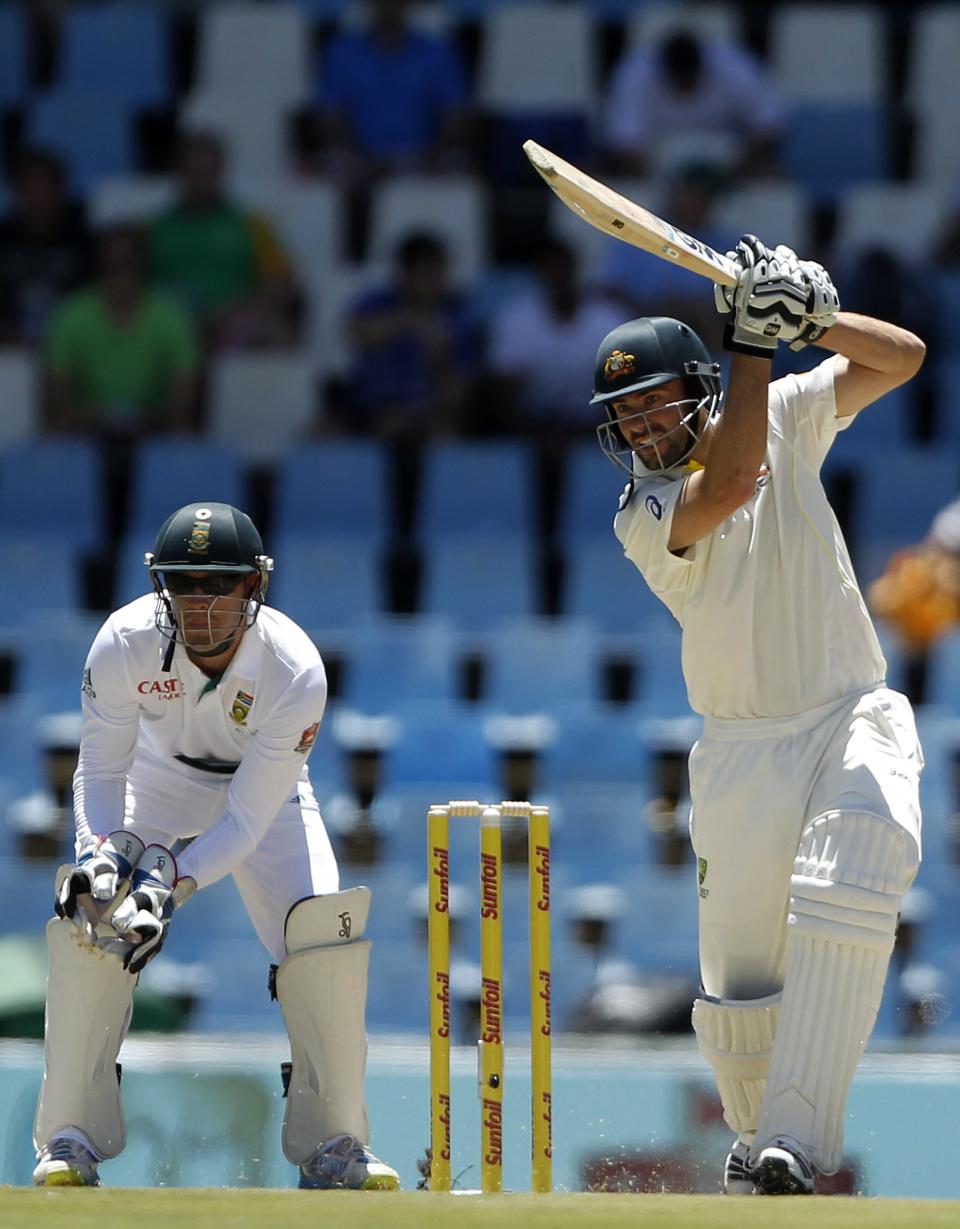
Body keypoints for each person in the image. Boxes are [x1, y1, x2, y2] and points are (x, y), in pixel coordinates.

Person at [588, 238, 925, 1194]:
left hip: (850, 710)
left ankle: (800, 1143)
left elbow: (901, 358)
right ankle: (763, 1148)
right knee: (744, 1012)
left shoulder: (779, 404)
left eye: (655, 403)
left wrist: (810, 319)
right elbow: (732, 482)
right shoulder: (642, 511)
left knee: (854, 866)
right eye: (627, 415)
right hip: (740, 755)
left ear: (694, 389)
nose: (645, 429)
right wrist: (750, 338)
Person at [32, 502, 399, 1192]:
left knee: (323, 929)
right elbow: (101, 771)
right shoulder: (121, 641)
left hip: (267, 792)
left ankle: (335, 1143)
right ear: (161, 584)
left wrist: (170, 885)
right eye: (183, 583)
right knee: (93, 920)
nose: (198, 604)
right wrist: (102, 856)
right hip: (156, 782)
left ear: (253, 587)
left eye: (217, 584)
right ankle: (69, 1139)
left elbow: (247, 820)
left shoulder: (295, 669)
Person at [147, 130, 303, 350]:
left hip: (235, 323)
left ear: (222, 171)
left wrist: (229, 311)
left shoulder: (254, 226)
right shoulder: (152, 230)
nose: (202, 179)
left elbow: (282, 283)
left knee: (271, 335)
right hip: (170, 325)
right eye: (195, 171)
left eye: (209, 171)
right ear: (179, 172)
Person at [44, 223, 198, 438]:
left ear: (143, 267)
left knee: (183, 430)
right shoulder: (71, 315)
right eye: (111, 266)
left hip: (154, 428)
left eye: (127, 264)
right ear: (98, 269)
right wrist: (93, 417)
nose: (120, 276)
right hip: (85, 430)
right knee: (57, 430)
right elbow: (58, 395)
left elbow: (184, 399)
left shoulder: (172, 317)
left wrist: (147, 418)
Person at [311, 0, 473, 188]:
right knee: (331, 167)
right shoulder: (341, 51)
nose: (388, 5)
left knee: (459, 167)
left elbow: (457, 115)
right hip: (358, 160)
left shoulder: (438, 51)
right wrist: (358, 156)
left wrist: (430, 156)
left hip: (424, 159)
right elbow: (329, 115)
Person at [340, 230, 479, 439]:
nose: (435, 280)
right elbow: (357, 333)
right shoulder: (376, 302)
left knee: (447, 439)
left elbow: (459, 391)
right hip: (369, 410)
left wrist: (438, 358)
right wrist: (411, 322)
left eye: (439, 271)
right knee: (325, 434)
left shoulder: (459, 316)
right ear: (404, 273)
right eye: (426, 272)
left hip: (432, 415)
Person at [602, 28, 785, 182]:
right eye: (679, 83)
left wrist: (732, 173)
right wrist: (669, 184)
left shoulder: (736, 69)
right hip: (659, 166)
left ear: (701, 70)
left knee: (774, 179)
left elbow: (769, 127)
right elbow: (624, 145)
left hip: (731, 164)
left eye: (689, 82)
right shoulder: (634, 75)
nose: (685, 89)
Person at [487, 235, 623, 438]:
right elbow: (505, 388)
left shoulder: (609, 318)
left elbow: (623, 386)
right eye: (550, 268)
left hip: (594, 424)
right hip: (533, 425)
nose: (558, 275)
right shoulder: (514, 318)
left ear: (575, 269)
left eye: (563, 267)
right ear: (539, 273)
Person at [0, 147, 91, 346]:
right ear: (16, 192)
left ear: (60, 189)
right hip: (11, 345)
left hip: (73, 341)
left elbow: (93, 300)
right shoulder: (4, 238)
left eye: (43, 188)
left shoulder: (83, 239)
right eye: (28, 189)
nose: (36, 198)